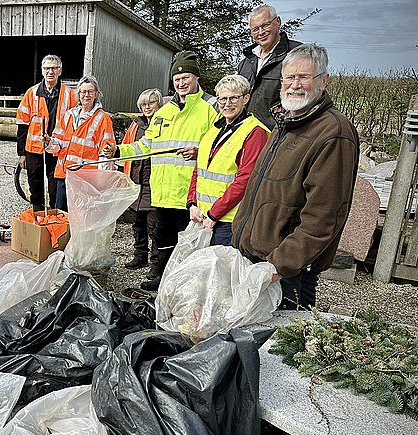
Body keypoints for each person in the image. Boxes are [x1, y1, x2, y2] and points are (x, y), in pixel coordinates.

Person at [233, 43, 359, 310]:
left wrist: (281, 264)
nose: (295, 84)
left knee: (278, 346)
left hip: (287, 272)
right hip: (259, 261)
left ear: (324, 81)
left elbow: (324, 215)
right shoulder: (286, 123)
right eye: (289, 77)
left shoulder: (333, 132)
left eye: (305, 77)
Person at [107, 50, 220, 291]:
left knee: (189, 243)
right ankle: (160, 276)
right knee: (161, 239)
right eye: (177, 79)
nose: (181, 83)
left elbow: (221, 145)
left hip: (190, 195)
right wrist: (118, 151)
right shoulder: (163, 113)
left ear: (196, 78)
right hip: (162, 193)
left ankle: (186, 285)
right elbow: (146, 145)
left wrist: (200, 151)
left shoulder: (209, 108)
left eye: (186, 77)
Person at [186, 74, 269, 246]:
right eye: (222, 99)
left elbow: (246, 180)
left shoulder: (255, 132)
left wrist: (214, 214)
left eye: (234, 98)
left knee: (221, 270)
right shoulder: (214, 130)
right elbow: (199, 169)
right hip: (203, 215)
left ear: (246, 99)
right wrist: (191, 202)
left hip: (229, 221)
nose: (227, 103)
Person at [15, 54, 78, 211]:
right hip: (34, 148)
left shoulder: (70, 95)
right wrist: (21, 153)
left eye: (54, 68)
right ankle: (37, 210)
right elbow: (22, 125)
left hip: (58, 147)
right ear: (42, 71)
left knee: (55, 181)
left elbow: (77, 124)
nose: (50, 71)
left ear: (60, 71)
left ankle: (54, 212)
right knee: (34, 180)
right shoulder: (32, 93)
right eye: (47, 68)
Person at [49, 75, 115, 211]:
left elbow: (106, 152)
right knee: (61, 214)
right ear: (78, 94)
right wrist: (49, 142)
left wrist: (101, 181)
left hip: (86, 180)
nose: (87, 95)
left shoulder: (103, 118)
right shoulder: (68, 115)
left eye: (91, 91)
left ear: (96, 94)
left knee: (81, 216)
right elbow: (57, 145)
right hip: (65, 175)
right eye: (83, 92)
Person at [237, 4, 302, 130]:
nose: (261, 32)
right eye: (255, 29)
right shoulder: (245, 63)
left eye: (265, 25)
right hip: (247, 135)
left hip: (279, 135)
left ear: (278, 22)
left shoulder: (297, 54)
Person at [122, 88, 163, 270]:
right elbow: (127, 147)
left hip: (154, 182)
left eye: (151, 103)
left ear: (159, 104)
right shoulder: (136, 125)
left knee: (154, 227)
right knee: (137, 224)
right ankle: (140, 256)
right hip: (136, 181)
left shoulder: (163, 123)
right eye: (144, 104)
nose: (147, 107)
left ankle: (156, 263)